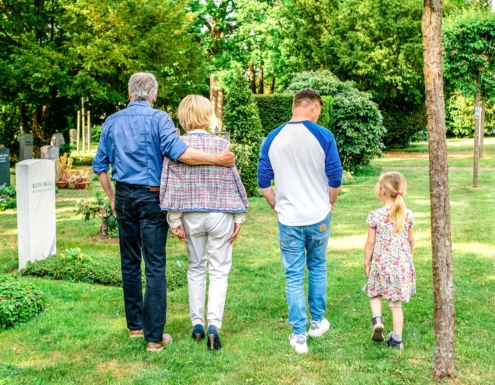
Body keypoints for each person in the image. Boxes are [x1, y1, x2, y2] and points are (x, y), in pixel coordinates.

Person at [92, 73, 235, 352]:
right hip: (151, 197)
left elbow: (100, 166)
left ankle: (136, 326)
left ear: (130, 93)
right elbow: (180, 153)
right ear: (154, 95)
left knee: (130, 263)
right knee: (155, 265)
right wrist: (217, 159)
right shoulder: (159, 119)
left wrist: (112, 197)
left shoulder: (112, 121)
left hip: (122, 194)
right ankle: (154, 338)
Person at [257, 88, 343, 354]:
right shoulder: (323, 136)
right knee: (317, 267)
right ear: (314, 107)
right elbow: (335, 177)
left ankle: (298, 334)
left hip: (290, 218)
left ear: (295, 106)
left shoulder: (273, 137)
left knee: (293, 275)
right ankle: (317, 322)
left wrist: (275, 204)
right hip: (317, 215)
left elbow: (263, 181)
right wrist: (329, 202)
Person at [160, 95, 248, 350]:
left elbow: (171, 184)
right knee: (219, 270)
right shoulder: (221, 145)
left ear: (183, 116)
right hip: (220, 213)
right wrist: (238, 217)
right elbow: (233, 183)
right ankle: (214, 325)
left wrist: (174, 220)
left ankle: (197, 324)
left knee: (196, 267)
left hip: (191, 214)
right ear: (208, 116)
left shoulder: (177, 146)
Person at [363, 171, 416, 350]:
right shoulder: (407, 214)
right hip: (400, 265)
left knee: (375, 293)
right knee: (395, 304)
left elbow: (370, 242)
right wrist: (408, 262)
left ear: (383, 191)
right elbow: (410, 241)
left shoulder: (375, 215)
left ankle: (377, 319)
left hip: (381, 264)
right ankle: (397, 340)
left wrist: (366, 263)